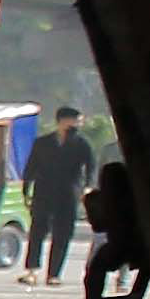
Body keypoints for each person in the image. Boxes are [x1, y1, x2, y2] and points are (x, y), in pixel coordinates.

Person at [19, 101, 98, 284]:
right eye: (75, 120)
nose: (78, 124)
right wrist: (26, 190)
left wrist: (87, 187)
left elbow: (91, 167)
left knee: (62, 234)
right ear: (63, 121)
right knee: (37, 232)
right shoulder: (42, 143)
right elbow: (31, 168)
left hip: (68, 194)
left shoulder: (82, 144)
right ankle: (32, 271)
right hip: (43, 193)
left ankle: (54, 274)